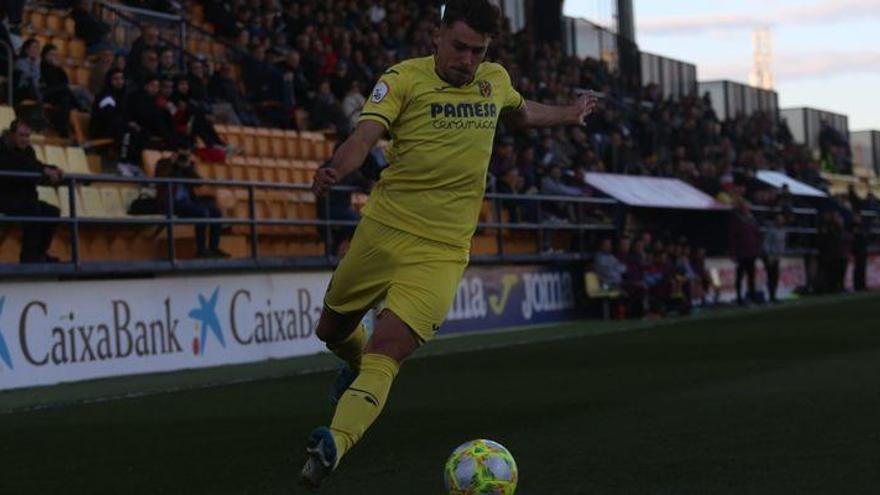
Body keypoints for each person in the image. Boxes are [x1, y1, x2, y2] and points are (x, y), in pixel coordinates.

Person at [299, 0, 597, 487]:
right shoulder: (402, 79)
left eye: (477, 51)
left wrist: (569, 112)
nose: (467, 59)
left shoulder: (494, 80)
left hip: (441, 249)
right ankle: (353, 370)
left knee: (388, 349)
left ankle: (334, 441)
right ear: (436, 36)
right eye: (459, 47)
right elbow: (365, 135)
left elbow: (521, 115)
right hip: (383, 231)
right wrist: (337, 167)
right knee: (331, 328)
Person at [0, 120, 64, 263]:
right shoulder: (2, 149)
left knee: (52, 212)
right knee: (33, 210)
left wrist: (53, 170)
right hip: (6, 199)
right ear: (11, 135)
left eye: (27, 136)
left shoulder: (28, 150)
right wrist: (44, 170)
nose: (25, 139)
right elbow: (16, 166)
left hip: (25, 199)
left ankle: (39, 253)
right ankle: (29, 258)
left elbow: (35, 166)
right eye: (21, 135)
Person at [154, 148, 228, 258]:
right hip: (171, 202)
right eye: (180, 154)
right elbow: (161, 179)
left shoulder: (187, 166)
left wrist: (187, 167)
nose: (182, 157)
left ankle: (214, 248)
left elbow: (198, 183)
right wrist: (172, 164)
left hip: (188, 201)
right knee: (201, 213)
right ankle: (201, 250)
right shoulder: (163, 163)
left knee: (216, 212)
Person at [729, 200, 762, 305]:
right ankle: (739, 297)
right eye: (744, 207)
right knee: (740, 276)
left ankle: (752, 296)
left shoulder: (752, 219)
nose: (746, 209)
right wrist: (733, 253)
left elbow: (757, 235)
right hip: (741, 253)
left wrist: (757, 249)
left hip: (751, 252)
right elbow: (732, 238)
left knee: (751, 276)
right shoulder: (737, 220)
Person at [762, 213, 787, 302]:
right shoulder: (771, 230)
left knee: (775, 276)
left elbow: (782, 244)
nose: (781, 221)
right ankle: (771, 295)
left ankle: (774, 295)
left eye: (782, 219)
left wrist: (780, 254)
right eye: (779, 219)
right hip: (771, 256)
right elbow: (766, 243)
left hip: (777, 256)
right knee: (771, 276)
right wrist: (768, 255)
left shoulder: (783, 230)